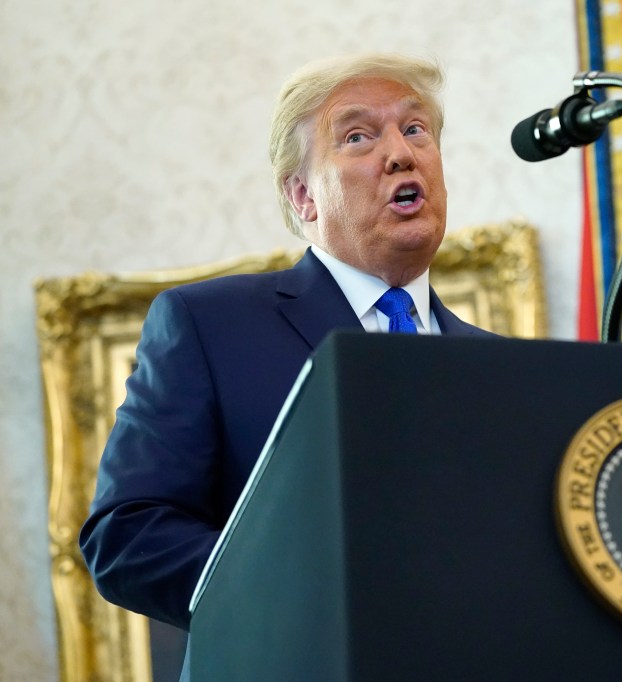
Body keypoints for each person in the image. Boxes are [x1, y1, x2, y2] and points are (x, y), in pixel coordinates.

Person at [79, 53, 495, 634]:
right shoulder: (209, 325)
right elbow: (128, 536)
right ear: (303, 196)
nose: (401, 152)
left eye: (415, 128)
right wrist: (311, 590)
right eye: (357, 136)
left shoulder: (494, 365)